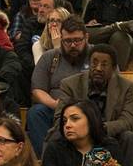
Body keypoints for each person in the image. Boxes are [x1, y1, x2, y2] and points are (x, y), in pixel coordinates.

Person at [53, 44, 133, 166]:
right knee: (54, 135)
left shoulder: (125, 86)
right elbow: (59, 117)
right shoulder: (70, 84)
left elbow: (127, 119)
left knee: (129, 137)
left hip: (108, 135)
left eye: (104, 64)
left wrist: (99, 128)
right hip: (79, 134)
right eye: (94, 63)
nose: (98, 68)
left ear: (114, 68)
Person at [29, 15, 90, 154]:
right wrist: (55, 104)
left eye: (77, 40)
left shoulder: (97, 55)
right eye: (68, 41)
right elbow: (38, 89)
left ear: (86, 37)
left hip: (89, 110)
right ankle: (45, 160)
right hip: (56, 109)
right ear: (61, 39)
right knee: (36, 113)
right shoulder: (50, 57)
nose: (73, 45)